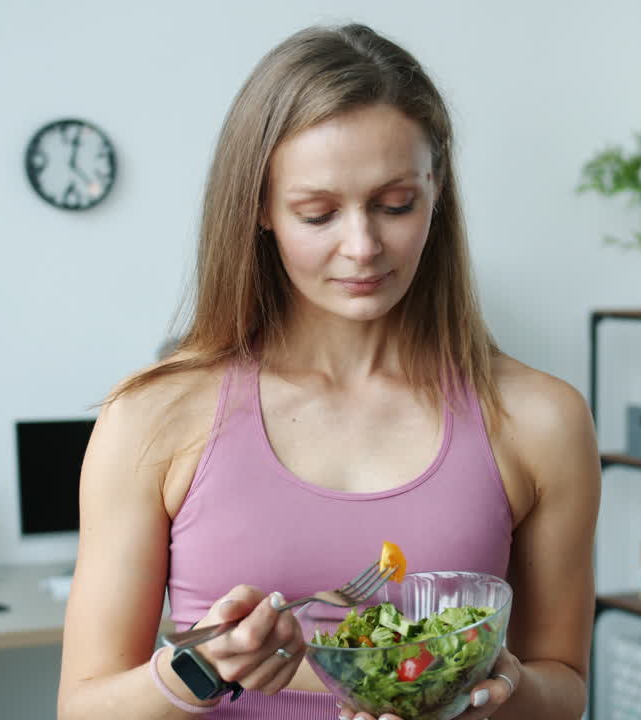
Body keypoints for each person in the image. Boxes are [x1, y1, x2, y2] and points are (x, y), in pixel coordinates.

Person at [56, 22, 601, 720]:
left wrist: (492, 694)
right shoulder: (151, 418)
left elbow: (564, 686)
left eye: (395, 204)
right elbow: (83, 709)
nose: (363, 245)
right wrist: (202, 671)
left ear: (437, 192)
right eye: (317, 213)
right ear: (259, 209)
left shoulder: (541, 419)